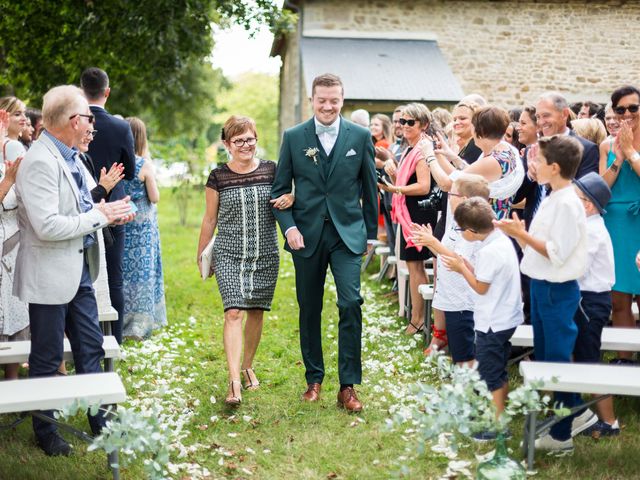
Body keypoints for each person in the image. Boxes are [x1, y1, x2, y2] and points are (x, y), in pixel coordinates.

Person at [14, 85, 134, 456]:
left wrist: (107, 213)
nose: (92, 128)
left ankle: (102, 422)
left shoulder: (74, 157)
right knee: (48, 357)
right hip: (50, 275)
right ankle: (46, 431)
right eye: (89, 121)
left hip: (80, 270)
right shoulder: (39, 162)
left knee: (90, 346)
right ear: (71, 121)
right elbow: (47, 226)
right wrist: (99, 216)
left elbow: (82, 208)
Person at [271, 73, 378, 413]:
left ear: (342, 100)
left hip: (347, 235)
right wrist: (289, 228)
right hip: (307, 236)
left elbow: (370, 189)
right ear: (312, 100)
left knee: (350, 303)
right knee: (310, 308)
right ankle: (313, 379)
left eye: (334, 100)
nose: (328, 106)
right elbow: (277, 191)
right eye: (322, 100)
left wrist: (371, 234)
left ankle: (348, 386)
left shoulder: (360, 137)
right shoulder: (293, 137)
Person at [495, 135, 587, 453]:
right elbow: (537, 249)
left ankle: (565, 429)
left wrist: (521, 235)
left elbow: (555, 252)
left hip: (556, 288)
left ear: (555, 167)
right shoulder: (552, 195)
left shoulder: (567, 202)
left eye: (540, 161)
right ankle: (566, 416)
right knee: (547, 356)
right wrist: (519, 235)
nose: (534, 165)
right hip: (540, 284)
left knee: (557, 358)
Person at [198, 115, 293, 406]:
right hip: (228, 252)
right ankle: (233, 382)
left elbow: (289, 196)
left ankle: (247, 365)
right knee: (234, 312)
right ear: (227, 144)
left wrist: (291, 196)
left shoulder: (272, 170)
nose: (245, 145)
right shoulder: (218, 176)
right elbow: (210, 218)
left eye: (250, 139)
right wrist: (202, 253)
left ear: (256, 139)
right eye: (238, 140)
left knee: (256, 311)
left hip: (265, 251)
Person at [441, 197, 523, 440]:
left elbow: (480, 287)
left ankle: (498, 426)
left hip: (493, 322)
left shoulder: (489, 251)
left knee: (491, 373)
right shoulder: (501, 240)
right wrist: (466, 263)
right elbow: (487, 278)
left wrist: (460, 269)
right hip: (505, 317)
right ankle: (498, 417)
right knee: (498, 369)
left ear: (470, 231)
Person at [81, 67, 137, 345]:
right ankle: (115, 338)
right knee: (114, 275)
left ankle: (82, 336)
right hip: (113, 204)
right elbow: (130, 170)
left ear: (82, 91)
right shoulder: (120, 126)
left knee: (81, 277)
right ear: (107, 91)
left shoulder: (75, 124)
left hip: (80, 205)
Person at [410, 174, 490, 364]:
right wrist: (429, 241)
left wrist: (433, 243)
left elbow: (459, 260)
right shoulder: (456, 222)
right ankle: (462, 384)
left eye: (451, 194)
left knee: (464, 355)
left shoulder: (470, 227)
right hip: (450, 299)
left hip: (462, 302)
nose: (447, 198)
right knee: (458, 353)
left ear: (463, 200)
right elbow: (446, 253)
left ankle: (468, 388)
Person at [379, 103, 438, 335]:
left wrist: (395, 189)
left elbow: (423, 186)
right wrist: (394, 174)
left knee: (416, 267)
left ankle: (419, 319)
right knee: (412, 266)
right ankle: (416, 317)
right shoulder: (409, 148)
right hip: (407, 210)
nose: (403, 125)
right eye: (402, 121)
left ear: (423, 125)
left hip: (417, 213)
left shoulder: (423, 149)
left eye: (409, 122)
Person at [571, 172, 619, 437]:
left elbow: (577, 269)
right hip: (586, 300)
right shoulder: (588, 226)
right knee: (581, 357)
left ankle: (609, 422)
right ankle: (580, 412)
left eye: (576, 199)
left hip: (591, 302)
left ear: (588, 205)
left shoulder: (592, 230)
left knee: (590, 361)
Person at [600, 85, 640, 363]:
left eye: (633, 108)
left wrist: (630, 151)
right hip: (614, 222)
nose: (626, 114)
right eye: (620, 109)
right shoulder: (606, 145)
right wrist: (619, 158)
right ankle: (625, 357)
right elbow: (601, 188)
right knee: (619, 297)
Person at [122, 117, 166, 340]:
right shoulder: (143, 164)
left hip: (123, 222)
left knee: (124, 271)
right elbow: (155, 197)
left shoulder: (117, 163)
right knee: (144, 272)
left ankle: (121, 320)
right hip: (143, 228)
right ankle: (138, 325)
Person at [0, 107, 28, 380]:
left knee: (16, 313)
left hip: (14, 244)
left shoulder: (6, 155)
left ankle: (13, 380)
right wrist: (8, 181)